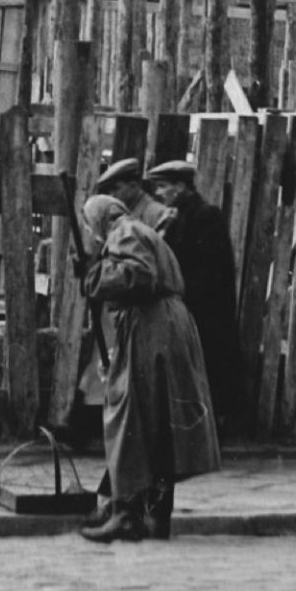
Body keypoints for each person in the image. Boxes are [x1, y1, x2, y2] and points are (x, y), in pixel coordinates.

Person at [77, 158, 220, 544]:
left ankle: (127, 515)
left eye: (91, 227)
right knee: (157, 425)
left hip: (152, 329)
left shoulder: (125, 232)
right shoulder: (136, 230)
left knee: (135, 419)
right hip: (162, 327)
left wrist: (96, 278)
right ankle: (152, 517)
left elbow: (138, 276)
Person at [144, 158, 245, 432]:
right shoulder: (177, 216)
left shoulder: (204, 216)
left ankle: (211, 427)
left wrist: (186, 297)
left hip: (204, 308)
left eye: (164, 186)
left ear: (180, 186)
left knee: (209, 366)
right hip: (190, 305)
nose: (159, 193)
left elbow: (206, 268)